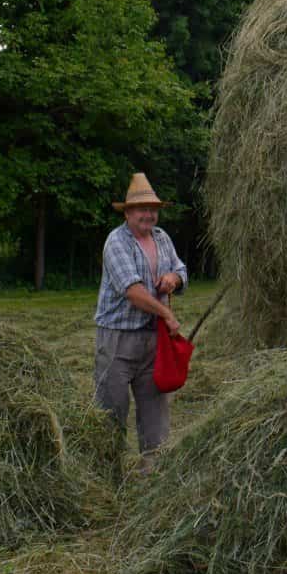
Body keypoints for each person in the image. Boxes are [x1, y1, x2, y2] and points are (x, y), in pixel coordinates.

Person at [94, 172, 188, 473]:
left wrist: (172, 279)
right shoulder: (116, 242)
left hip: (151, 339)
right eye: (142, 209)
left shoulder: (161, 238)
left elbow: (181, 270)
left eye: (153, 208)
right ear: (128, 212)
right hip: (118, 340)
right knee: (111, 409)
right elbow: (133, 292)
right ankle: (109, 474)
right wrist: (167, 314)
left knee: (155, 408)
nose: (149, 214)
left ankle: (153, 470)